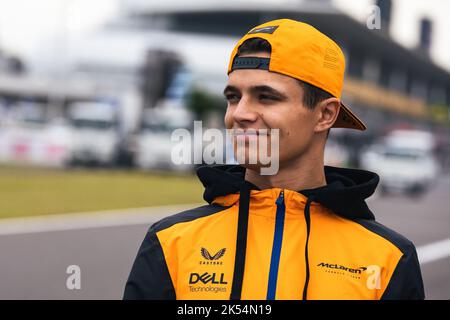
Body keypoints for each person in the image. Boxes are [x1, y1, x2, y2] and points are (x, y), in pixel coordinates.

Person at [124, 19, 425, 300]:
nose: (239, 113)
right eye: (233, 97)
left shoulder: (388, 258)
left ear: (325, 115)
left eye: (266, 97)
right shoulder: (171, 242)